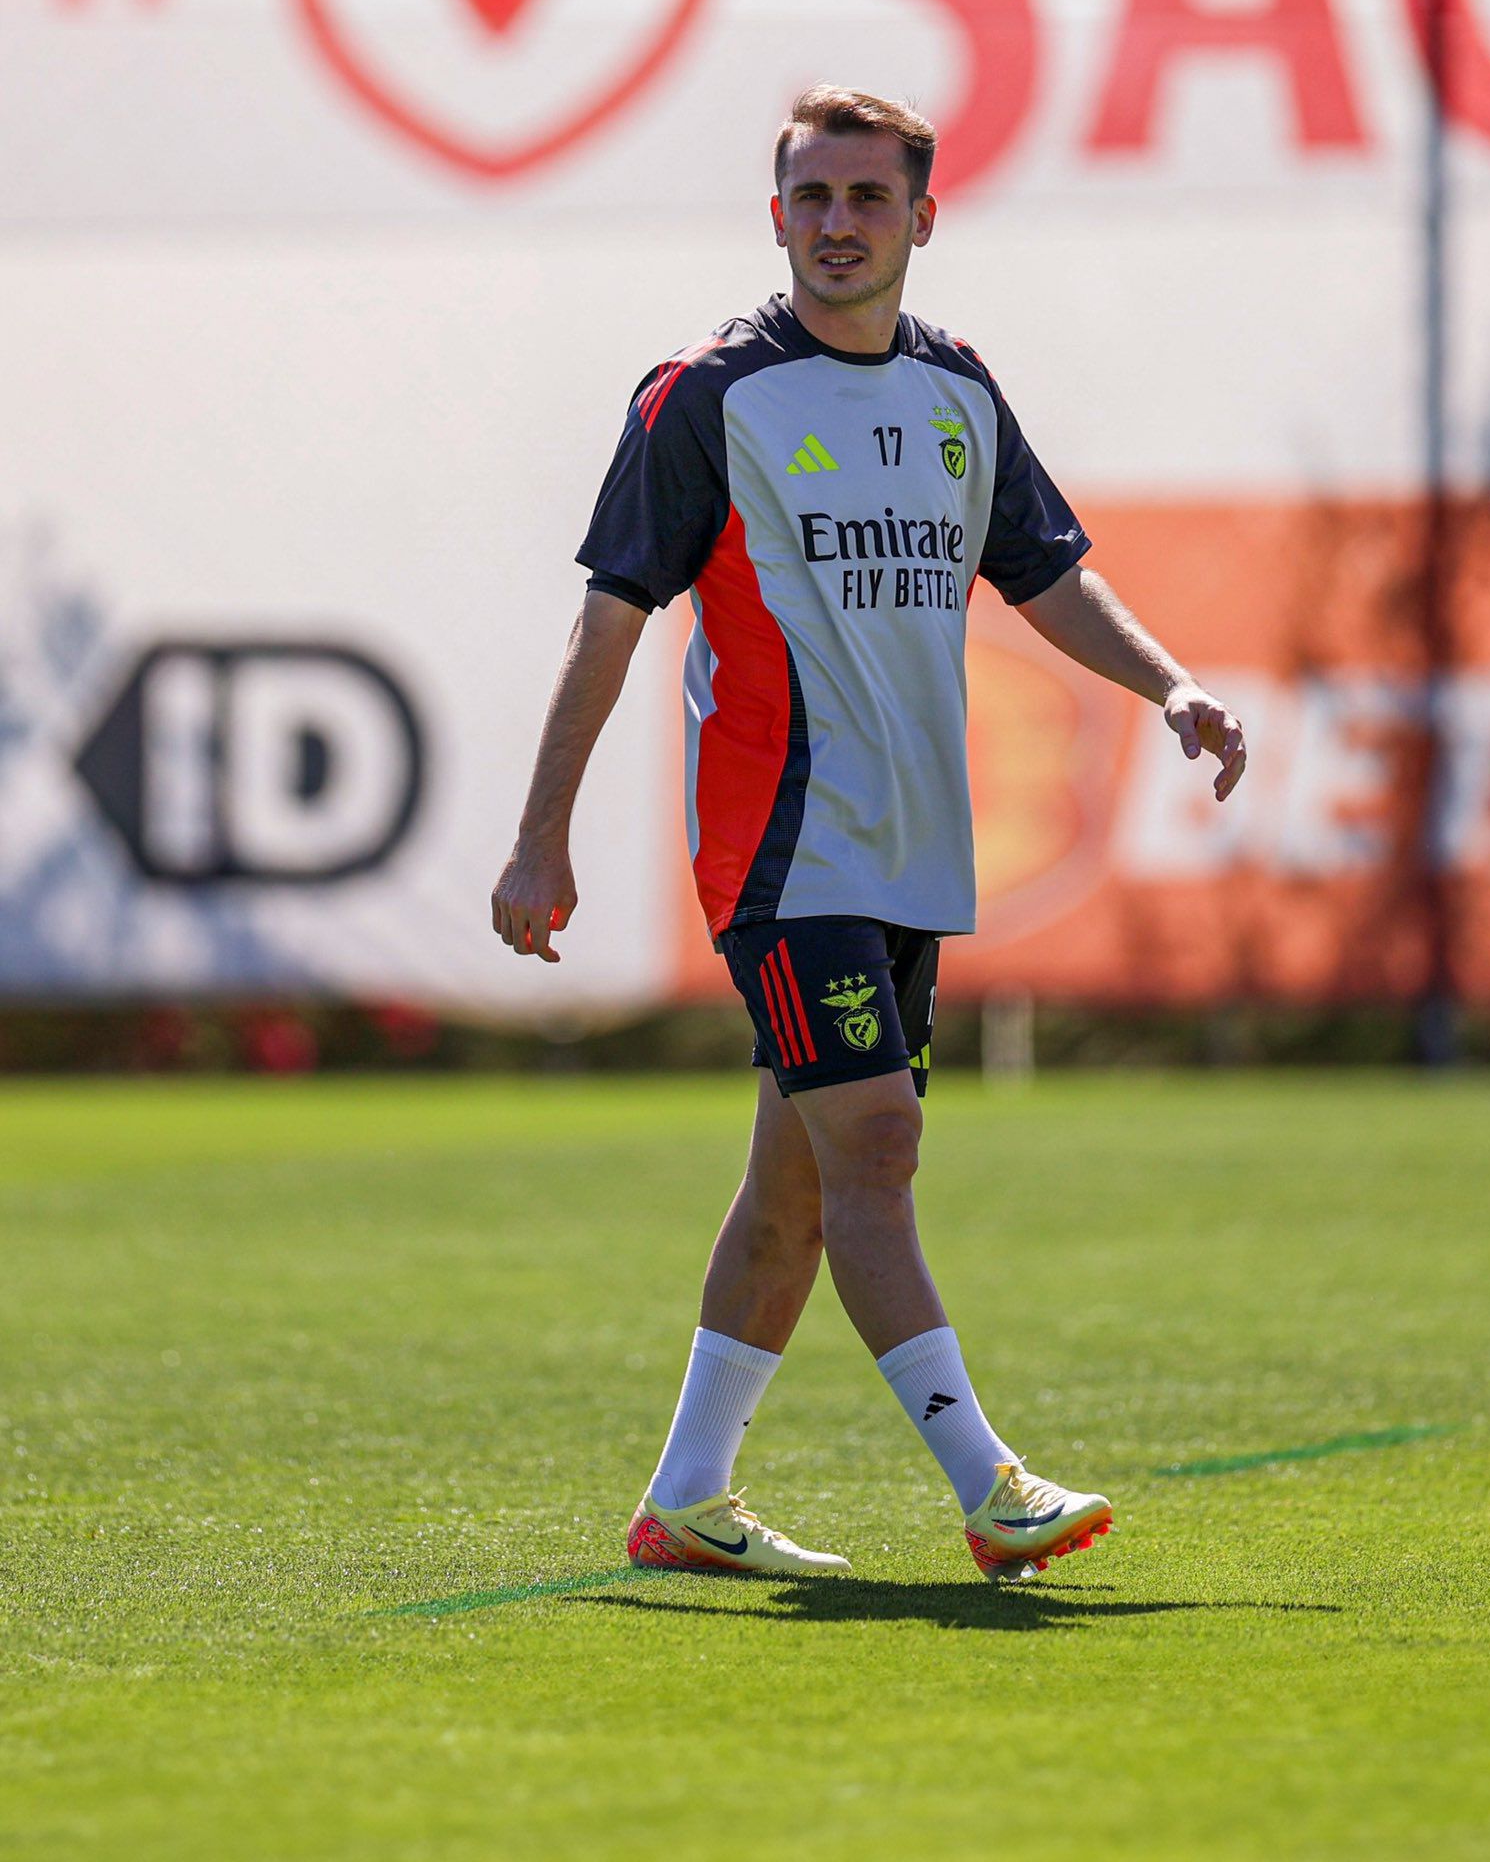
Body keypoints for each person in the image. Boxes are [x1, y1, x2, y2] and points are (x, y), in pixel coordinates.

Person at [492, 85, 1246, 1584]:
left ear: (922, 217)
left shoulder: (958, 390)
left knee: (796, 1191)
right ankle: (990, 1484)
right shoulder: (707, 397)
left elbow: (1045, 575)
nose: (838, 224)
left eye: (867, 197)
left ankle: (685, 1500)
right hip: (782, 852)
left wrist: (1169, 685)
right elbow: (609, 619)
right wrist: (539, 838)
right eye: (813, 197)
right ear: (774, 215)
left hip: (911, 853)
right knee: (878, 1149)